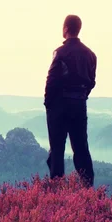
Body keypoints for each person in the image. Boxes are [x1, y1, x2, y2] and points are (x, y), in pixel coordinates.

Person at [44, 14, 97, 186]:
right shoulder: (90, 54)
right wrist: (82, 97)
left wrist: (49, 103)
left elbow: (51, 80)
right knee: (81, 147)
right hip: (79, 104)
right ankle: (88, 188)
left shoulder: (60, 52)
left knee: (57, 149)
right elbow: (92, 81)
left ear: (66, 28)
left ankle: (56, 190)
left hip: (60, 105)